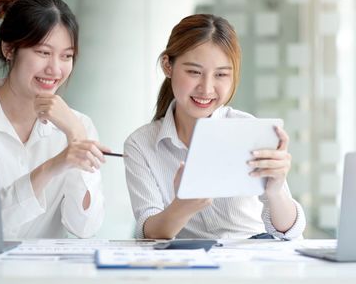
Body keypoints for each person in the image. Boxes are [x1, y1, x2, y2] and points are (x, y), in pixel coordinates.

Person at [0, 0, 108, 239]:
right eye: (43, 52)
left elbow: (84, 228)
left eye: (67, 56)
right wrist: (53, 165)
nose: (55, 69)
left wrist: (76, 135)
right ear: (8, 48)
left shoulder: (79, 125)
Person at [124, 14, 306, 239]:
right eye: (194, 72)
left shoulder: (246, 129)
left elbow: (290, 231)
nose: (207, 88)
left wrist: (276, 190)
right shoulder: (141, 144)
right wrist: (184, 204)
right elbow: (149, 232)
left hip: (253, 257)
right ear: (167, 66)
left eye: (221, 74)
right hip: (192, 263)